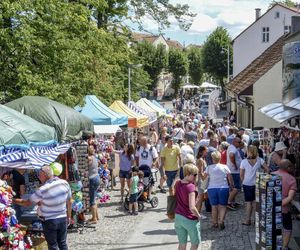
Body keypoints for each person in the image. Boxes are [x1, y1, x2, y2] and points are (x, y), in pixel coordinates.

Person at [14, 165, 72, 250]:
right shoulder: (64, 183)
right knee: (62, 243)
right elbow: (69, 201)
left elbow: (27, 203)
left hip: (49, 220)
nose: (39, 177)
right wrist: (69, 216)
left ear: (44, 175)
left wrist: (13, 200)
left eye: (39, 175)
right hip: (63, 218)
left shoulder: (42, 189)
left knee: (53, 245)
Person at [202, 151, 233, 230]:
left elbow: (204, 178)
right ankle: (221, 220)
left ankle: (214, 223)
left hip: (212, 189)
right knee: (222, 206)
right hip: (223, 188)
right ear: (220, 158)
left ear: (212, 158)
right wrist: (231, 185)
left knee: (214, 207)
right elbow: (230, 178)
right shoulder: (225, 166)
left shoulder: (209, 167)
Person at [174, 163, 201, 250]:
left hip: (178, 217)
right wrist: (199, 216)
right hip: (189, 218)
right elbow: (192, 207)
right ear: (188, 174)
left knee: (182, 244)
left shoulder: (178, 183)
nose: (196, 177)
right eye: (195, 174)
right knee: (195, 243)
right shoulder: (191, 187)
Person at [240, 145, 268, 225]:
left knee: (248, 202)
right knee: (256, 202)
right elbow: (267, 169)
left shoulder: (244, 161)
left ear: (249, 152)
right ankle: (257, 220)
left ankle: (248, 220)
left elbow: (241, 175)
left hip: (247, 184)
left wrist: (243, 182)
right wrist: (262, 177)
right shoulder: (260, 160)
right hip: (257, 183)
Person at [273, 159, 297, 250]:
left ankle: (274, 245)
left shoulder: (271, 175)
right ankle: (284, 247)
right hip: (284, 210)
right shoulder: (291, 179)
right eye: (290, 166)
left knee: (273, 227)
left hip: (270, 208)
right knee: (287, 227)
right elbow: (290, 198)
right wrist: (279, 205)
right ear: (288, 167)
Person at [227, 137, 242, 210]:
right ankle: (229, 202)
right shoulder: (233, 148)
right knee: (237, 187)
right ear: (234, 142)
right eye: (238, 142)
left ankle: (233, 202)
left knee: (233, 188)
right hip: (234, 171)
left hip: (232, 170)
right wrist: (235, 165)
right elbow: (231, 156)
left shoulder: (231, 147)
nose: (240, 144)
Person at [88, 145, 100, 223]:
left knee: (92, 200)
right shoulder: (95, 156)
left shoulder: (90, 158)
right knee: (95, 198)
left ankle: (94, 218)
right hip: (97, 177)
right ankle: (97, 216)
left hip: (92, 179)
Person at [195, 145, 208, 219]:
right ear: (202, 151)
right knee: (200, 197)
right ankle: (198, 214)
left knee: (201, 197)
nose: (207, 152)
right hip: (201, 180)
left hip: (202, 180)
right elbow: (200, 171)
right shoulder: (200, 160)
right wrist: (205, 178)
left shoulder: (202, 159)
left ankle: (197, 213)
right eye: (206, 150)